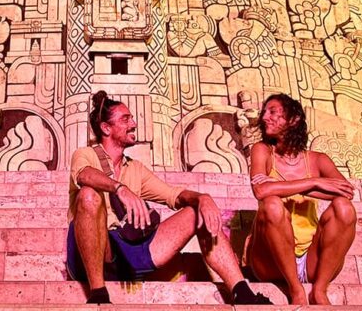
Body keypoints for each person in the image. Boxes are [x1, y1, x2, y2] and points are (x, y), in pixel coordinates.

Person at [67, 90, 271, 305]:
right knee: (88, 195)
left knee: (196, 213)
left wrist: (202, 197)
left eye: (132, 118)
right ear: (106, 128)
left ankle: (241, 291)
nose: (134, 124)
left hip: (129, 254)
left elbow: (173, 195)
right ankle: (98, 293)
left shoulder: (135, 168)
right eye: (126, 119)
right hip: (92, 253)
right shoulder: (86, 154)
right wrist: (120, 189)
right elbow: (83, 174)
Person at [245, 93, 357, 305]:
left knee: (344, 208)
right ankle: (295, 290)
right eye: (264, 113)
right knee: (271, 204)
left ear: (294, 119)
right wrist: (313, 182)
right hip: (271, 261)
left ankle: (320, 290)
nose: (265, 117)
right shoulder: (262, 151)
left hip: (312, 259)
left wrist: (282, 186)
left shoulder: (317, 160)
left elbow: (346, 192)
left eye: (273, 112)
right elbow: (260, 191)